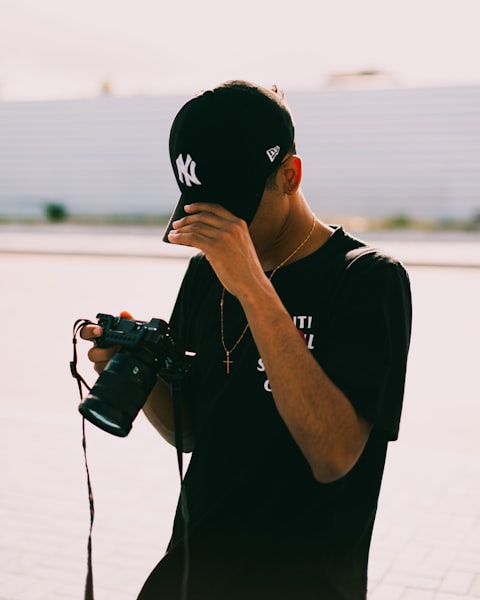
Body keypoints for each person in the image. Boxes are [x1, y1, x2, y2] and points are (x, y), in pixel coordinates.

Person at [81, 80, 412, 599]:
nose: (217, 231)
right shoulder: (205, 274)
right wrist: (134, 374)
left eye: (231, 209)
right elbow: (190, 433)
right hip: (191, 573)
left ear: (290, 175)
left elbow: (334, 455)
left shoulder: (368, 280)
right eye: (201, 208)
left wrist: (255, 289)